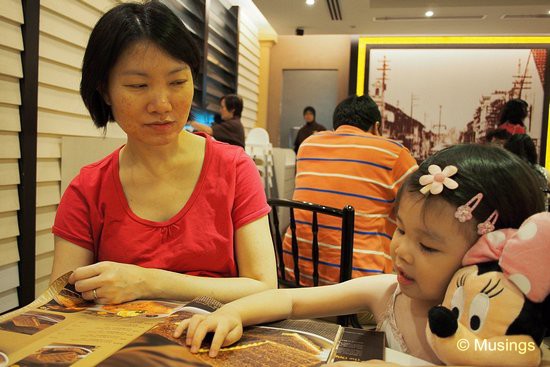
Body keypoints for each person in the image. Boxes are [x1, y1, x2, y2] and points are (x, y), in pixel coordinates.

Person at [174, 144, 546, 364]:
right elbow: (290, 301)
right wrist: (233, 312)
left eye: (428, 245)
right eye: (400, 229)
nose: (401, 249)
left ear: (489, 258)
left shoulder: (489, 338)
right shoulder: (387, 294)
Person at [50, 1, 277, 305]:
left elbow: (263, 287)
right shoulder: (88, 189)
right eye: (138, 85)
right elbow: (62, 304)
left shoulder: (234, 169)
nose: (162, 104)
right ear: (105, 91)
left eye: (177, 82)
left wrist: (149, 281)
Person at [285, 95, 417, 286]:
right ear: (376, 127)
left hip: (295, 276)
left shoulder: (308, 145)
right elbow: (423, 203)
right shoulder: (393, 153)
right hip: (358, 290)